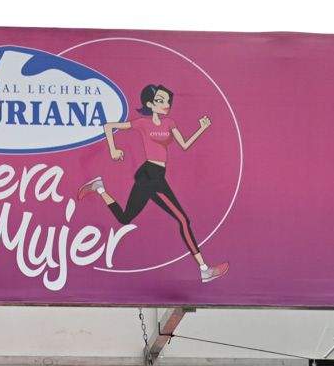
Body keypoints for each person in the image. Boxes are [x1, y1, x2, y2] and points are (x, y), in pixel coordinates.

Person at [77, 84, 229, 284]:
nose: (165, 104)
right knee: (183, 220)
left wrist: (201, 128)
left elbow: (184, 145)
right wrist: (113, 150)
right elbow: (108, 126)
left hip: (155, 176)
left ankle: (100, 188)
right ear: (150, 104)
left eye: (167, 101)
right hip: (150, 175)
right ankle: (203, 270)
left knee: (124, 218)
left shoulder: (170, 123)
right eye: (160, 100)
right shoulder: (142, 123)